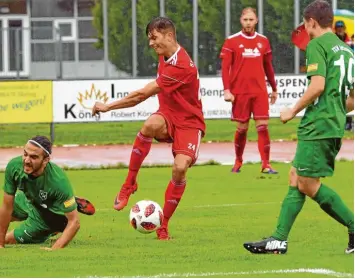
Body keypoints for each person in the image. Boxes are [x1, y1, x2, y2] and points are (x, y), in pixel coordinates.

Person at [243, 0, 354, 254]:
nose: (305, 29)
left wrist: (291, 111)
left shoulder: (317, 45)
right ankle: (278, 240)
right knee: (296, 176)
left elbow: (317, 86)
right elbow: (352, 98)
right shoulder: (347, 50)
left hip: (318, 126)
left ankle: (353, 227)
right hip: (331, 124)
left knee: (307, 183)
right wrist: (335, 112)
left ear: (312, 22)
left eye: (305, 24)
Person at [92, 17, 205, 240]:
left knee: (180, 169)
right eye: (149, 39)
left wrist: (108, 106)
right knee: (150, 124)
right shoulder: (164, 56)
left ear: (169, 36)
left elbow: (141, 95)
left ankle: (163, 227)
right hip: (169, 115)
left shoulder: (182, 66)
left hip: (190, 122)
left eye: (154, 38)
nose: (151, 44)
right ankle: (129, 183)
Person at [0, 136, 95, 250]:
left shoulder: (59, 182)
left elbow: (75, 222)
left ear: (45, 160)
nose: (27, 160)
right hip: (30, 198)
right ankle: (62, 203)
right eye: (25, 154)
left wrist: (54, 249)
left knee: (8, 239)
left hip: (46, 218)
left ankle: (58, 219)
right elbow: (6, 207)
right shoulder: (14, 166)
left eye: (34, 157)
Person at [219, 7, 278, 174]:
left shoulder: (263, 41)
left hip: (259, 91)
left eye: (251, 20)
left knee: (263, 126)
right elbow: (225, 68)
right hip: (240, 92)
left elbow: (268, 66)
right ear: (241, 20)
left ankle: (266, 164)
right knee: (242, 128)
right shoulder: (231, 41)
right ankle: (238, 162)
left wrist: (274, 88)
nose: (248, 23)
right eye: (245, 20)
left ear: (256, 20)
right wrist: (227, 90)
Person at [334, 20, 353, 131]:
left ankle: (349, 122)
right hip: (337, 72)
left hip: (349, 72)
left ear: (344, 28)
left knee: (350, 97)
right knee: (338, 96)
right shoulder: (333, 39)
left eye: (341, 27)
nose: (340, 29)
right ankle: (338, 120)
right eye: (338, 27)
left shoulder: (350, 40)